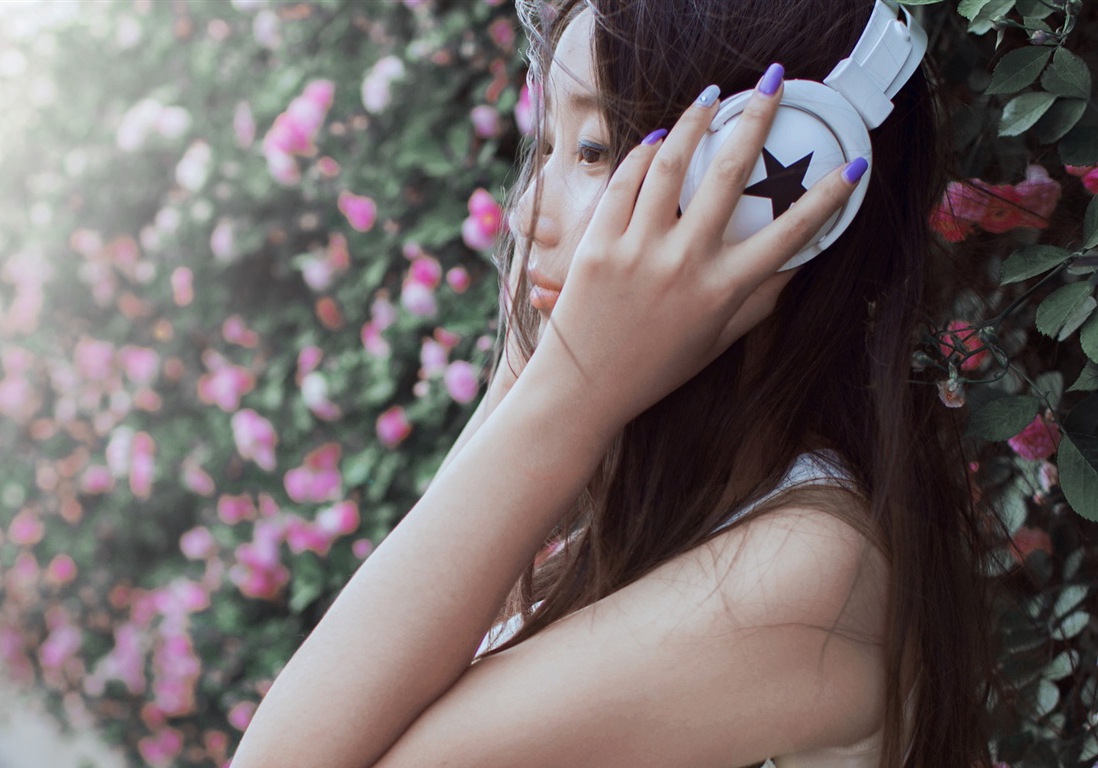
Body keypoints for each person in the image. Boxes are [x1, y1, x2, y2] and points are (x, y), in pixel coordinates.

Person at [231, 1, 1001, 767]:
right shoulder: (695, 508)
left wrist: (574, 384)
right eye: (549, 147)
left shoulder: (803, 581)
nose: (528, 213)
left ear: (772, 186)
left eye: (593, 151)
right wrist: (530, 376)